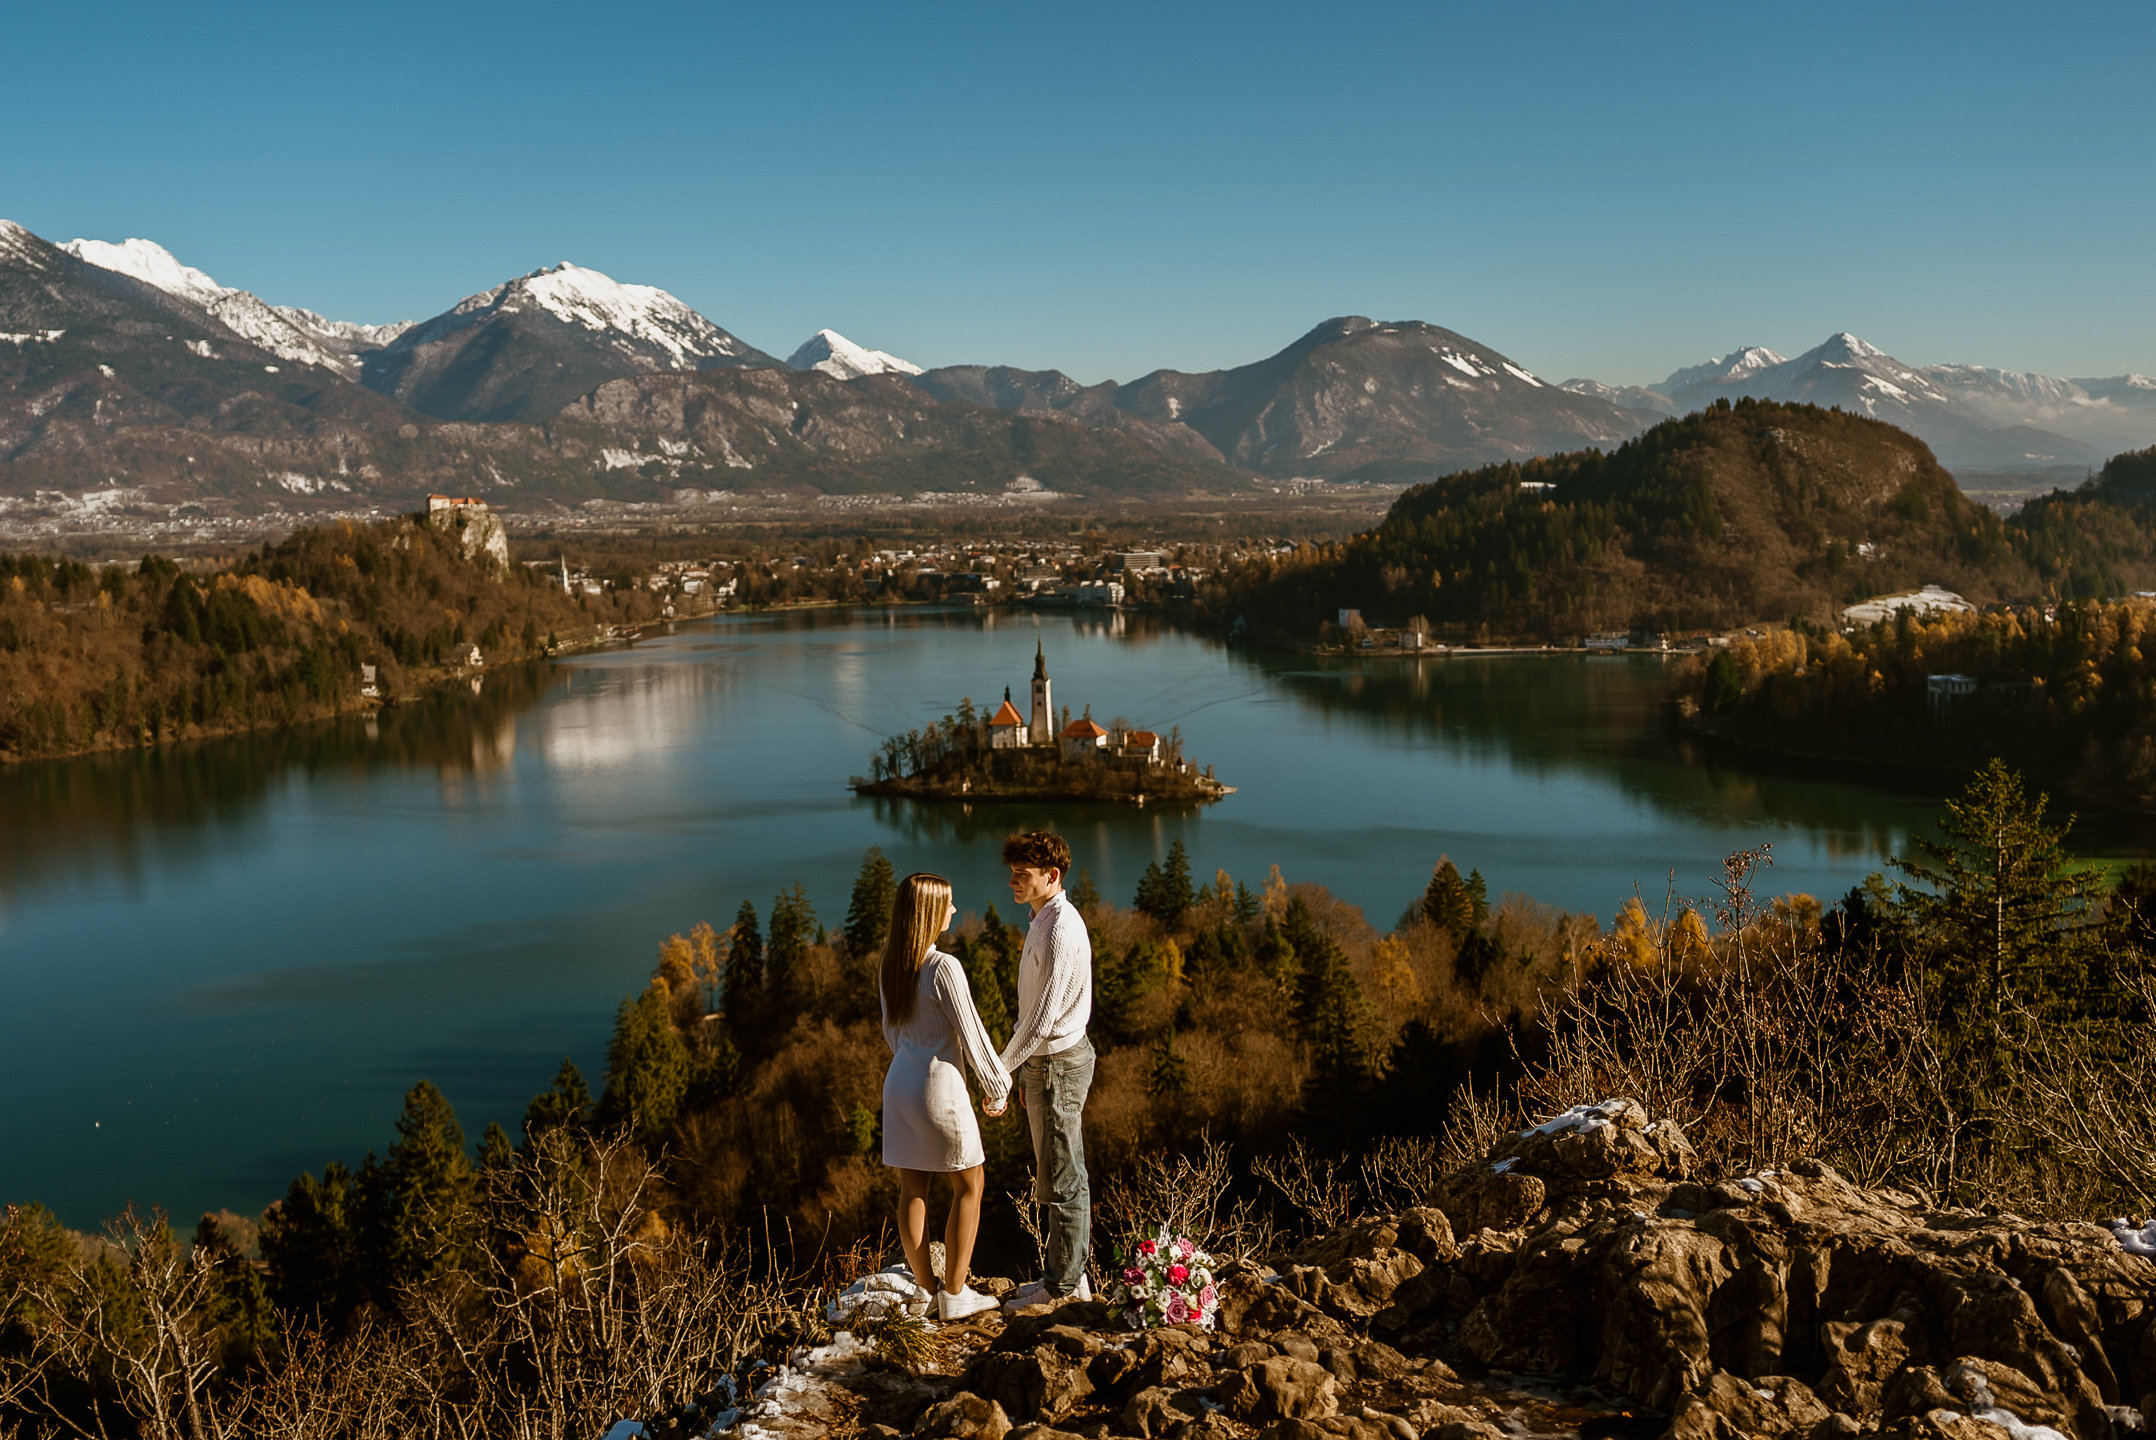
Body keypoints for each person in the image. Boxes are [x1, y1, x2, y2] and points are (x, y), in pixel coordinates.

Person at [878, 871, 1011, 1321]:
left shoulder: (890, 964)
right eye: (948, 904)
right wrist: (997, 1085)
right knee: (969, 1183)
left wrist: (911, 1063)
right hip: (939, 1088)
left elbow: (891, 1032)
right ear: (930, 912)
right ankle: (955, 1294)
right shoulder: (943, 968)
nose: (954, 910)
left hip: (899, 1085)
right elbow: (971, 1031)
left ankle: (927, 1288)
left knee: (913, 1187)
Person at [996, 829, 1096, 1313]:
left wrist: (1001, 1070)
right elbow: (1029, 1009)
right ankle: (1069, 1278)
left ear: (1051, 876)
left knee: (1063, 1178)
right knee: (1058, 1172)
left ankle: (1061, 1288)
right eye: (1011, 871)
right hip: (1047, 1062)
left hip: (1057, 1063)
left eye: (1023, 874)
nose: (1012, 881)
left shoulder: (1059, 928)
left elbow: (1042, 1018)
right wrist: (1022, 1070)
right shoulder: (1042, 918)